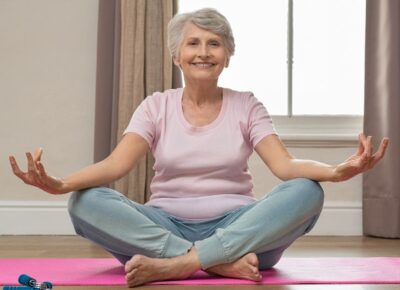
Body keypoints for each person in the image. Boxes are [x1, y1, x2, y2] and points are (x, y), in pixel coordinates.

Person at [9, 8, 389, 288]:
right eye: (193, 43)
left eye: (214, 44)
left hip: (240, 228)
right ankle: (215, 262)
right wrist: (60, 186)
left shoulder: (247, 104)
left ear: (226, 56)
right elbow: (114, 165)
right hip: (163, 227)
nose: (203, 52)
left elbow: (285, 166)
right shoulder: (156, 105)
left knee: (306, 191)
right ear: (177, 56)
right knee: (84, 202)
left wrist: (336, 171)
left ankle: (178, 264)